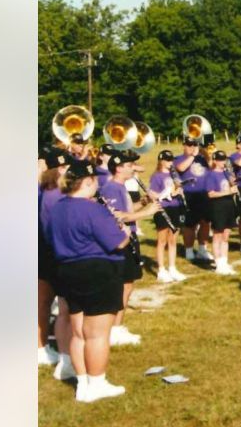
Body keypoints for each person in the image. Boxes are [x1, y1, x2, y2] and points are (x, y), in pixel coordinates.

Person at [47, 160, 134, 402]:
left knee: (78, 332)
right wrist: (125, 233)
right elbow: (116, 242)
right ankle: (97, 382)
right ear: (87, 182)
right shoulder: (91, 208)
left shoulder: (57, 208)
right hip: (97, 271)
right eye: (95, 180)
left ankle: (83, 382)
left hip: (67, 270)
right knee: (97, 334)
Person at [96, 150, 160, 344]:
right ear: (118, 168)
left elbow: (128, 211)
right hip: (121, 240)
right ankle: (114, 329)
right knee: (122, 286)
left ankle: (118, 326)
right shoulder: (111, 188)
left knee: (128, 284)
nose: (133, 168)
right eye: (129, 165)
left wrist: (143, 203)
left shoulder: (121, 186)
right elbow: (117, 215)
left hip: (129, 238)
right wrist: (147, 212)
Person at [37, 147, 73, 373]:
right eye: (66, 167)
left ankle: (41, 347)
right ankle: (61, 354)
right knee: (61, 306)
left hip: (43, 250)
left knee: (43, 301)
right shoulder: (56, 194)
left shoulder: (44, 189)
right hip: (52, 252)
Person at [146, 150, 189, 282]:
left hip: (176, 207)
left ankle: (172, 267)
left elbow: (177, 188)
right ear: (161, 161)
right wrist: (163, 195)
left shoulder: (174, 175)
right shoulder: (157, 176)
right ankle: (161, 269)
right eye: (168, 160)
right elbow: (151, 194)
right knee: (162, 240)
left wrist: (179, 191)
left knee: (173, 240)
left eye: (172, 160)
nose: (171, 162)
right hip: (163, 209)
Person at [173, 137, 211, 262]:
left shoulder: (202, 158)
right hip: (189, 194)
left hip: (204, 193)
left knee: (205, 222)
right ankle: (189, 250)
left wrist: (203, 151)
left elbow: (212, 165)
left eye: (194, 145)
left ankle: (202, 248)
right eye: (189, 145)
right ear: (183, 145)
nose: (192, 147)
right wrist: (193, 156)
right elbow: (181, 168)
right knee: (190, 225)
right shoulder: (178, 158)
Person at [204, 150, 241, 275]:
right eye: (220, 159)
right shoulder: (211, 175)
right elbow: (211, 193)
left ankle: (224, 262)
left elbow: (231, 185)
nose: (222, 162)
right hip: (217, 206)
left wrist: (234, 185)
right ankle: (218, 264)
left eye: (224, 159)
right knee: (217, 235)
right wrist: (228, 192)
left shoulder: (226, 173)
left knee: (226, 235)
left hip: (229, 205)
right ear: (214, 160)